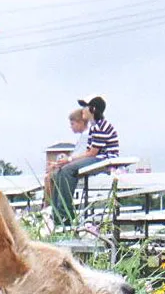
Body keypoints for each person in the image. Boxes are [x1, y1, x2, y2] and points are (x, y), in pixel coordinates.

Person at [49, 94, 119, 226]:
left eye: (85, 107)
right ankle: (56, 214)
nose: (83, 111)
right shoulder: (95, 127)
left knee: (67, 170)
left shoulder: (101, 126)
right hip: (97, 158)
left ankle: (66, 215)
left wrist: (69, 159)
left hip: (105, 160)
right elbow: (88, 152)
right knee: (59, 172)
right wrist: (67, 160)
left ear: (92, 109)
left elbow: (92, 152)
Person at [43, 108, 89, 206]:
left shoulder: (86, 136)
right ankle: (50, 206)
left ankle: (50, 206)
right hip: (73, 165)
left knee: (50, 177)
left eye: (73, 124)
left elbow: (80, 157)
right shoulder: (83, 137)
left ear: (80, 123)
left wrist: (58, 164)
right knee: (49, 175)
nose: (71, 127)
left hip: (76, 168)